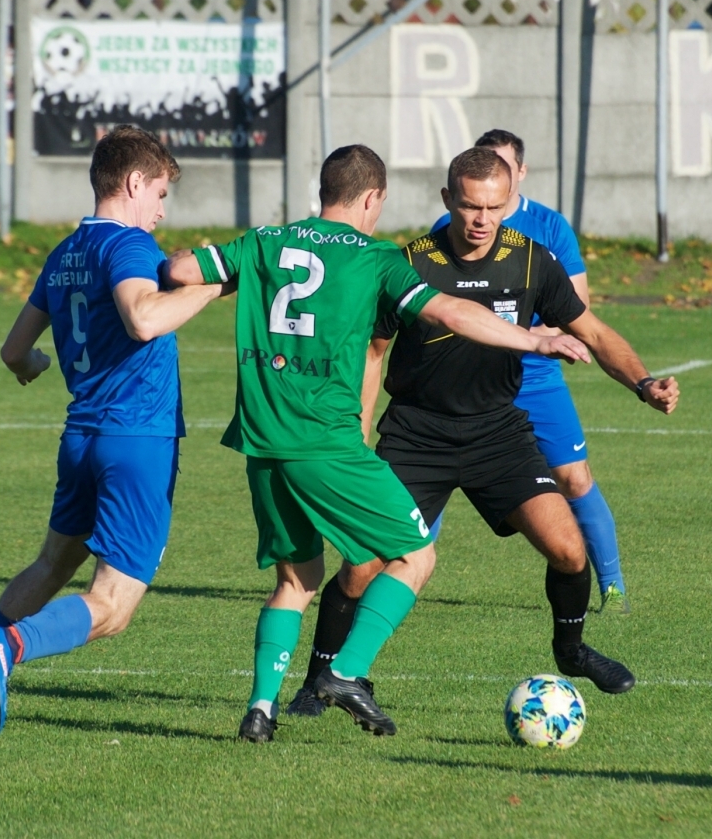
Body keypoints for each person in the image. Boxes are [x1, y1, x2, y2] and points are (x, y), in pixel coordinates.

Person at [162, 145, 590, 743]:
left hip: (262, 444)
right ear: (372, 199)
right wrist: (533, 342)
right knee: (415, 557)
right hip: (328, 444)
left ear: (323, 190)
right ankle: (347, 672)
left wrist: (200, 267)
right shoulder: (376, 258)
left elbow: (181, 271)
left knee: (295, 583)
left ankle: (260, 709)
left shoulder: (262, 241)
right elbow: (450, 312)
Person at [286, 148, 678, 716]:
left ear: (507, 204)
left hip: (498, 431)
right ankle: (318, 680)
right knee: (362, 564)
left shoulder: (530, 261)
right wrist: (359, 428)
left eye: (494, 207)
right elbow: (373, 352)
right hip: (417, 433)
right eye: (470, 205)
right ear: (448, 200)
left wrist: (643, 383)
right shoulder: (411, 262)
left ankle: (570, 652)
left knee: (569, 551)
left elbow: (591, 330)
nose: (481, 220)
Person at [0, 126, 227, 739]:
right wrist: (213, 285)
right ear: (133, 183)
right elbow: (143, 318)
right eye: (159, 193)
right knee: (111, 606)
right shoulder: (128, 246)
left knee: (52, 563)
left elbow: (13, 351)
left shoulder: (66, 250)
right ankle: (11, 648)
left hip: (81, 439)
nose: (160, 210)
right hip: (137, 441)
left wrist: (35, 367)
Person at [437, 129, 631, 609]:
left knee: (574, 478)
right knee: (429, 481)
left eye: (502, 170)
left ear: (517, 174)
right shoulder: (450, 226)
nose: (485, 205)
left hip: (536, 377)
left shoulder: (549, 226)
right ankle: (393, 568)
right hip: (465, 378)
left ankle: (612, 585)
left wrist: (532, 338)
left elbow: (578, 308)